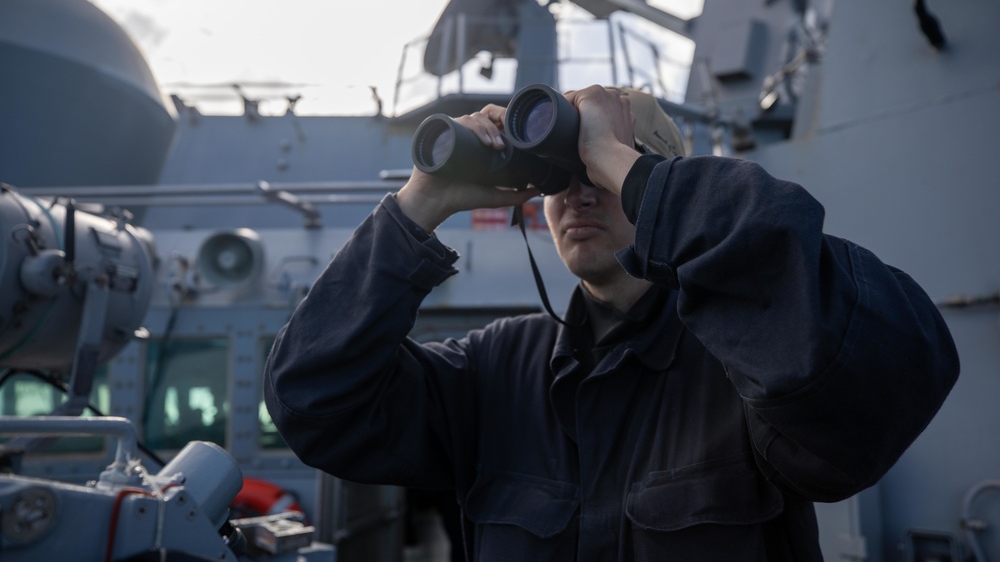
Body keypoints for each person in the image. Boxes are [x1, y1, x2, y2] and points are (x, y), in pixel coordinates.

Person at [264, 85, 959, 561]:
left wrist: (625, 163)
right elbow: (316, 400)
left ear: (656, 182)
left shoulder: (745, 363)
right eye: (559, 179)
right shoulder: (496, 370)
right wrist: (424, 198)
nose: (576, 194)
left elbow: (885, 370)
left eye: (599, 172)